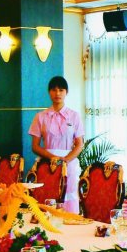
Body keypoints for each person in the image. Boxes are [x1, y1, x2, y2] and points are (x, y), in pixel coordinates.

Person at [28, 76, 84, 213]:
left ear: (66, 92)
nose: (57, 93)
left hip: (68, 164)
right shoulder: (40, 117)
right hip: (47, 164)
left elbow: (79, 144)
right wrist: (52, 158)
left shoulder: (74, 116)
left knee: (69, 199)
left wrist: (65, 160)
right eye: (54, 90)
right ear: (49, 92)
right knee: (47, 200)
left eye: (61, 90)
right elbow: (35, 146)